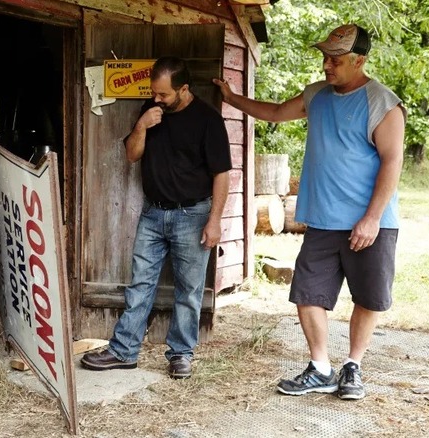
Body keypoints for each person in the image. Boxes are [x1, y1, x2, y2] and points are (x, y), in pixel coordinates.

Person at [213, 24, 405, 400]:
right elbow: (275, 112)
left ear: (359, 60)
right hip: (321, 221)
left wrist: (372, 218)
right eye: (325, 58)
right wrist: (232, 99)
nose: (326, 66)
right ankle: (320, 367)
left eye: (335, 60)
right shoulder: (317, 94)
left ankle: (353, 366)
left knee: (367, 297)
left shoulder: (383, 103)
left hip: (370, 223)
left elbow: (393, 162)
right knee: (307, 293)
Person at [81, 57, 232, 379]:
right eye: (154, 93)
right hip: (152, 213)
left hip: (193, 214)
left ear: (184, 89)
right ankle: (124, 351)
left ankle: (180, 354)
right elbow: (132, 155)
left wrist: (215, 221)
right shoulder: (150, 113)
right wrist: (141, 125)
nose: (157, 99)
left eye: (164, 94)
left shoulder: (208, 120)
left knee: (189, 291)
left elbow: (222, 174)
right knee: (140, 286)